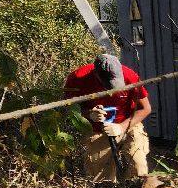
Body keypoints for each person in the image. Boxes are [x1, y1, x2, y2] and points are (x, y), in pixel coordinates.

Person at [64, 51, 151, 181]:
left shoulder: (130, 77)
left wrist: (121, 127)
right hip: (98, 129)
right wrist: (89, 114)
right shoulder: (77, 79)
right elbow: (70, 107)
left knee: (138, 166)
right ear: (96, 74)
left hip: (128, 123)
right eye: (108, 86)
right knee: (102, 178)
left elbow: (145, 108)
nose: (111, 93)